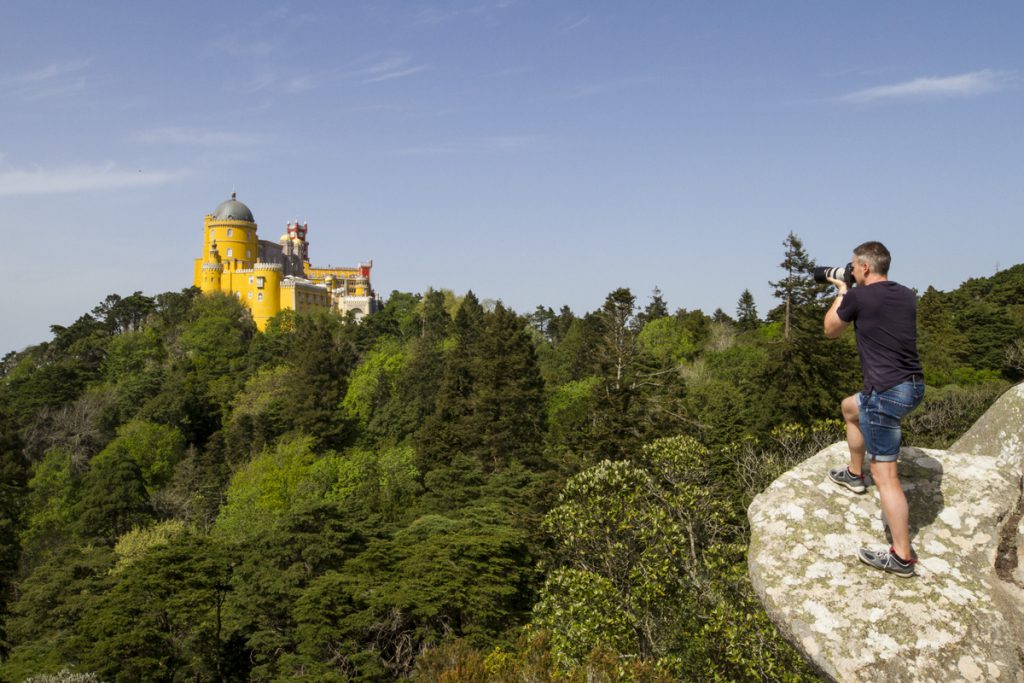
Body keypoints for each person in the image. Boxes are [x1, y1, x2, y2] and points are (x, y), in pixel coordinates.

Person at [823, 241, 925, 577]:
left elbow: (830, 330)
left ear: (865, 267)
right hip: (912, 386)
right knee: (850, 408)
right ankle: (854, 474)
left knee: (887, 476)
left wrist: (841, 291)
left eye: (853, 266)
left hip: (885, 394)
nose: (850, 270)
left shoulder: (857, 296)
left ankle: (901, 557)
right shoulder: (907, 294)